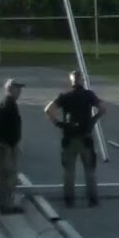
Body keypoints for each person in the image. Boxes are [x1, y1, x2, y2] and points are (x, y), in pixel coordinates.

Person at [44, 70, 107, 207]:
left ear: (71, 81)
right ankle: (92, 199)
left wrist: (59, 124)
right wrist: (93, 120)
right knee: (89, 170)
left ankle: (69, 199)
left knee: (68, 171)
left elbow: (48, 110)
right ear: (82, 80)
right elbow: (103, 108)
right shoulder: (88, 95)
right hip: (85, 137)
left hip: (69, 137)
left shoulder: (65, 96)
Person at [0, 79, 25, 214]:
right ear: (11, 89)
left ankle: (5, 203)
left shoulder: (6, 103)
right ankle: (7, 205)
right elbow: (10, 127)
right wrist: (13, 143)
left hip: (4, 144)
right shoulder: (9, 103)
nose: (20, 92)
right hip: (7, 146)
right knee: (8, 176)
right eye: (18, 89)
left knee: (5, 175)